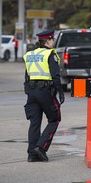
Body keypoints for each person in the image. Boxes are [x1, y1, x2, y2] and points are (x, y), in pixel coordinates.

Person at [23, 29, 64, 162]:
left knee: (34, 123)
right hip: (45, 92)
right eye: (52, 40)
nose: (53, 42)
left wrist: (28, 92)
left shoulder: (30, 54)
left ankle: (31, 154)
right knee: (55, 119)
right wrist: (61, 92)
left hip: (32, 92)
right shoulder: (50, 54)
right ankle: (41, 147)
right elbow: (55, 75)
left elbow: (26, 76)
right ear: (48, 40)